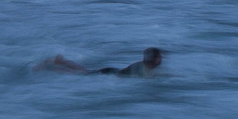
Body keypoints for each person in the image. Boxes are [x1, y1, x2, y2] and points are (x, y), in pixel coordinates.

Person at [36, 48, 165, 75]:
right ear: (153, 59)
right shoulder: (143, 69)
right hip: (108, 74)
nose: (162, 59)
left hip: (111, 71)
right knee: (79, 73)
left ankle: (61, 61)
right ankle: (49, 66)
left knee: (83, 71)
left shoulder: (142, 66)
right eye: (160, 57)